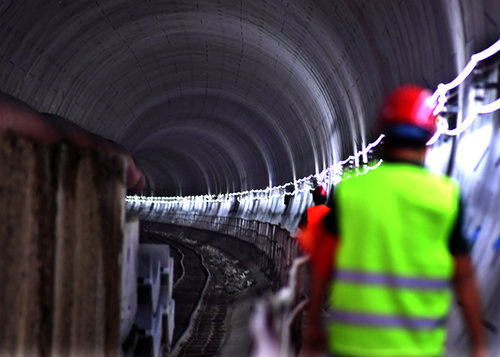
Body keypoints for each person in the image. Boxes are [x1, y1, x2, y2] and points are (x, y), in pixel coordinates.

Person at [302, 84, 487, 357]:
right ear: (429, 140)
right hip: (418, 348)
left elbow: (322, 263)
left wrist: (313, 325)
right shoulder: (446, 196)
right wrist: (478, 344)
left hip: (351, 345)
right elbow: (464, 277)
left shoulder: (352, 190)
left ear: (384, 138)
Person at [296, 186, 331, 255]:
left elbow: (301, 227)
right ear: (325, 200)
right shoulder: (330, 213)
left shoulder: (308, 211)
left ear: (314, 199)